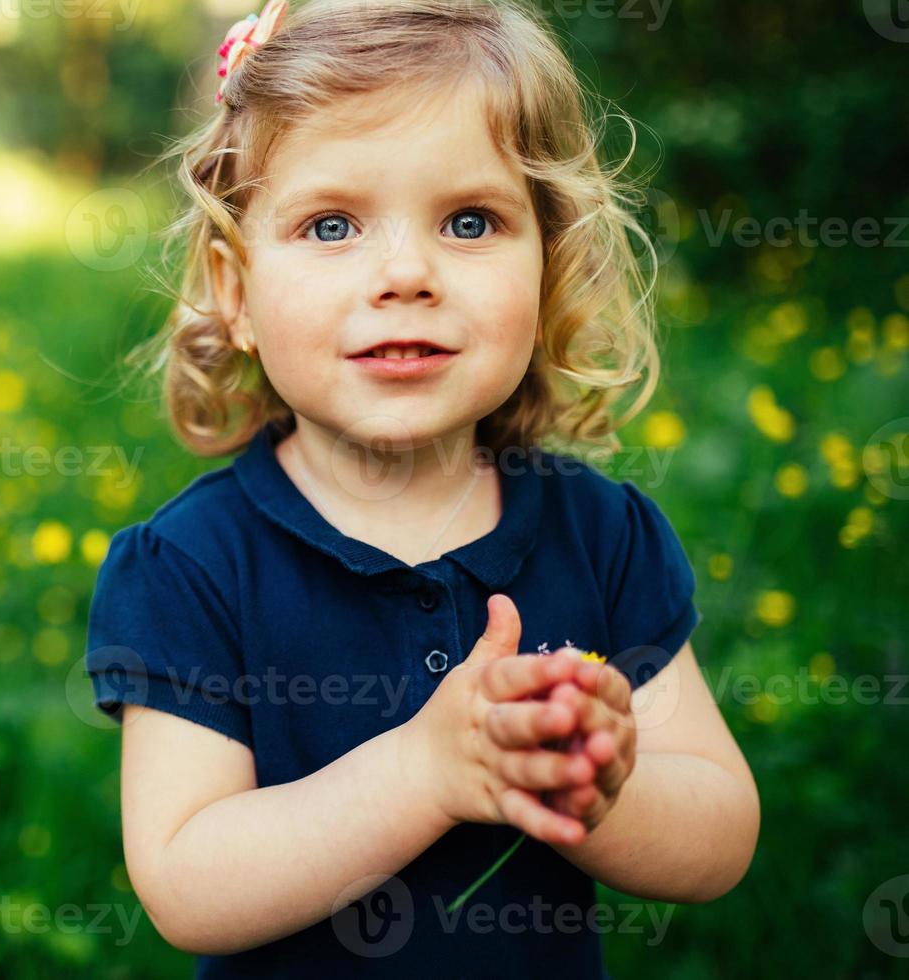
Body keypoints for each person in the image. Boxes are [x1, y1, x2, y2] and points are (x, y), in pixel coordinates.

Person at [84, 0, 759, 974]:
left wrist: (602, 786)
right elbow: (186, 879)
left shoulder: (600, 533)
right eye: (330, 225)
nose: (406, 272)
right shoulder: (193, 567)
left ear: (550, 264)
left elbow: (721, 834)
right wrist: (428, 770)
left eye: (470, 220)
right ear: (234, 291)